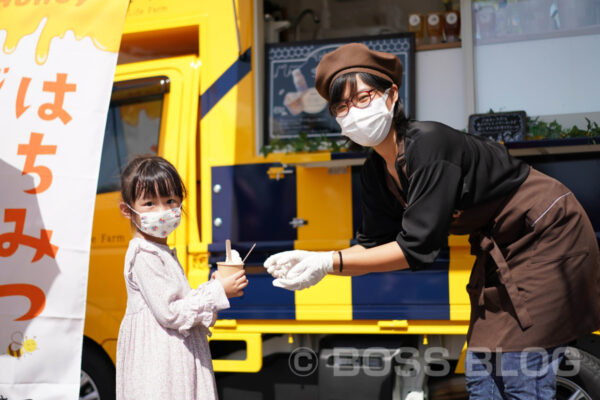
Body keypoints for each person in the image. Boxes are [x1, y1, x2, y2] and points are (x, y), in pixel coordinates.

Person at [264, 43, 600, 399]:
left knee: (520, 374)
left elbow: (417, 248)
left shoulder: (429, 144)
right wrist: (316, 261)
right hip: (501, 249)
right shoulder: (375, 173)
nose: (353, 112)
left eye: (363, 98)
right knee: (482, 373)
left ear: (391, 95)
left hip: (547, 233)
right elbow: (373, 246)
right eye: (342, 106)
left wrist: (330, 262)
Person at [116, 155, 248, 400]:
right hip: (161, 362)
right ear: (128, 210)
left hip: (171, 357)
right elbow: (171, 312)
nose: (163, 211)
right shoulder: (144, 253)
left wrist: (216, 287)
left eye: (170, 201)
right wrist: (217, 290)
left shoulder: (159, 250)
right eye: (149, 203)